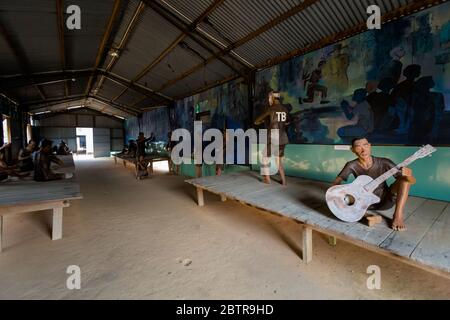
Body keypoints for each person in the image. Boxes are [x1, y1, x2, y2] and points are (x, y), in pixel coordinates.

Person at [332, 137, 416, 231]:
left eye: (366, 145)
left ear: (370, 146)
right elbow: (335, 185)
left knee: (404, 180)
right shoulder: (351, 165)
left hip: (385, 200)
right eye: (358, 147)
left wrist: (408, 176)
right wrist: (343, 195)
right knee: (336, 201)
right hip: (363, 204)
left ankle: (398, 216)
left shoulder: (384, 162)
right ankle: (369, 217)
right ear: (352, 150)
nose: (363, 150)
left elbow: (407, 182)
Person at [254, 91, 290, 185]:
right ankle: (284, 181)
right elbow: (287, 122)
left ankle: (267, 180)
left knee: (264, 158)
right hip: (283, 137)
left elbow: (256, 121)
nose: (269, 100)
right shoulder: (285, 109)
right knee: (278, 161)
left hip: (274, 136)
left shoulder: (271, 109)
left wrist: (261, 121)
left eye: (269, 98)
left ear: (273, 98)